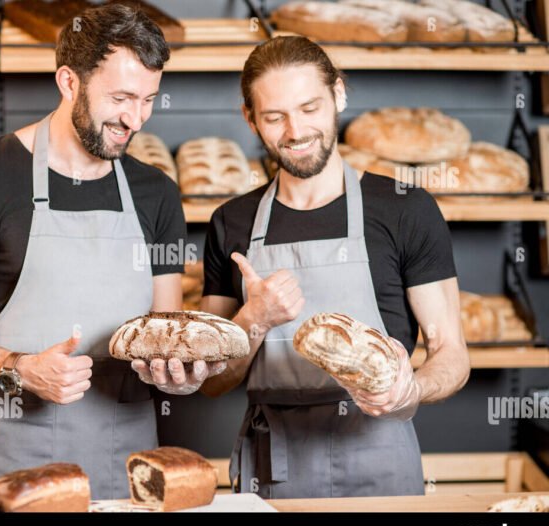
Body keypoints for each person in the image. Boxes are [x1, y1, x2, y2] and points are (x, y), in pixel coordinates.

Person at [0, 4, 222, 498]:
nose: (135, 119)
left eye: (148, 100)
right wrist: (17, 367)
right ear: (69, 81)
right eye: (120, 98)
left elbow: (163, 332)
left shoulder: (156, 193)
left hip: (125, 459)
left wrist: (178, 376)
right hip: (14, 456)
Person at [199, 36, 470, 498]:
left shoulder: (405, 209)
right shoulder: (232, 222)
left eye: (310, 108)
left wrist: (411, 389)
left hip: (380, 457)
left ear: (338, 94)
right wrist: (253, 320)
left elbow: (451, 353)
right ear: (250, 118)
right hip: (274, 468)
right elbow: (211, 380)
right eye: (274, 116)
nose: (296, 130)